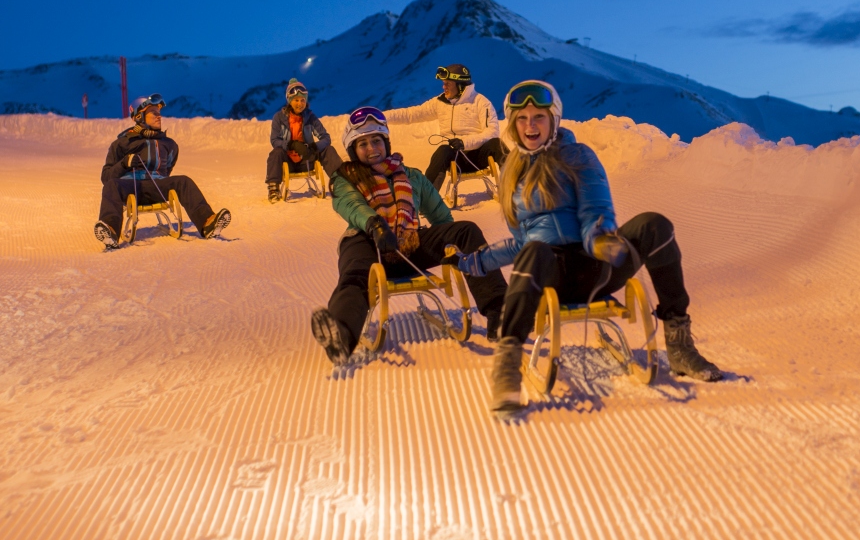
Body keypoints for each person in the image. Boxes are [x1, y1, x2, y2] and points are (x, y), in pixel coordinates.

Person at [456, 79, 721, 415]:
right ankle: (507, 365)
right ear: (512, 124)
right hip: (548, 273)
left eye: (538, 117)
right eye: (521, 119)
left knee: (655, 225)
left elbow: (595, 211)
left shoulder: (577, 156)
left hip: (594, 265)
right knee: (535, 250)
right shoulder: (511, 172)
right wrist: (477, 262)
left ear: (554, 119)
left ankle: (680, 344)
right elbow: (523, 244)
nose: (530, 126)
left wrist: (601, 241)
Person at [309, 106, 508, 366]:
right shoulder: (344, 177)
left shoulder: (411, 176)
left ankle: (500, 313)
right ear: (352, 150)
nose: (372, 149)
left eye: (376, 140)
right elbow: (350, 205)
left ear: (386, 142)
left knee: (465, 230)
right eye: (363, 144)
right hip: (366, 241)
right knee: (355, 276)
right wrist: (375, 225)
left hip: (408, 243)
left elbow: (440, 217)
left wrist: (451, 246)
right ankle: (341, 335)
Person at [93, 94, 232, 248]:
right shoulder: (122, 143)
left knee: (183, 181)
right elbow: (106, 177)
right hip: (130, 188)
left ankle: (208, 223)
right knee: (112, 185)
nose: (159, 117)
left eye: (159, 113)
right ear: (139, 116)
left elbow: (168, 169)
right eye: (154, 113)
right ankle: (111, 231)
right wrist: (124, 164)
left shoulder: (169, 144)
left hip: (157, 187)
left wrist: (159, 178)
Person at [385, 64, 504, 189]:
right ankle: (426, 200)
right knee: (443, 150)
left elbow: (492, 132)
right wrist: (381, 116)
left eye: (448, 83)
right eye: (443, 83)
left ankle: (518, 188)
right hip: (454, 159)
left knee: (496, 144)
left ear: (460, 85)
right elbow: (411, 114)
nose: (444, 87)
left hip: (478, 157)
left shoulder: (481, 102)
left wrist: (464, 143)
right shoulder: (440, 102)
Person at [267, 79, 342, 202]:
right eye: (296, 100)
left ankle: (341, 184)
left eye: (303, 100)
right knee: (276, 153)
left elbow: (326, 138)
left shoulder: (310, 117)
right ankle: (273, 189)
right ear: (289, 101)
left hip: (307, 161)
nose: (300, 103)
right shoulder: (279, 118)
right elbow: (274, 140)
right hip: (288, 161)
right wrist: (291, 144)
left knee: (328, 150)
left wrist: (313, 147)